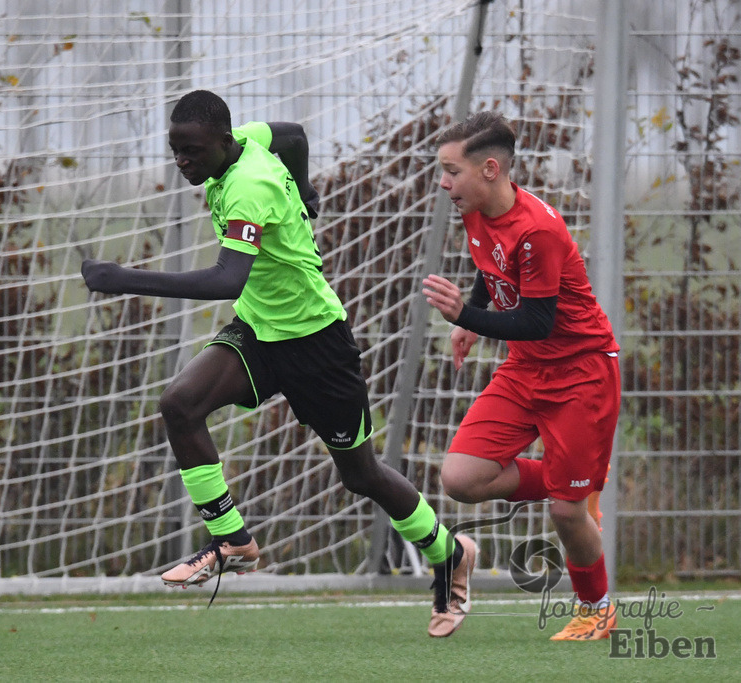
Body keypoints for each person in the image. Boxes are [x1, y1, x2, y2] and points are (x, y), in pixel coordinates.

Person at [82, 89, 476, 637]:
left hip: (316, 345)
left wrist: (124, 280)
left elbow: (226, 279)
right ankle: (232, 540)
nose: (182, 162)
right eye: (175, 150)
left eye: (191, 151)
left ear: (222, 142)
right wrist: (308, 188)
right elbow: (291, 133)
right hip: (260, 332)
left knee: (360, 475)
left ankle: (449, 551)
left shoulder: (249, 187)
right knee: (180, 405)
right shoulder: (245, 140)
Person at [422, 111, 621, 641]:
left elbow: (537, 321)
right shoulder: (477, 208)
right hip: (527, 367)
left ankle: (596, 610)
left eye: (450, 171)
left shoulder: (538, 230)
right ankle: (573, 485)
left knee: (565, 514)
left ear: (489, 169)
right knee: (461, 479)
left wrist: (465, 317)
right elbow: (494, 270)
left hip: (581, 374)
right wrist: (477, 314)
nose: (443, 183)